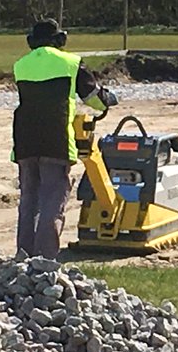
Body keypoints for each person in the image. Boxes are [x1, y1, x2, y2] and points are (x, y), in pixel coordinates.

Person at [13, 18, 116, 258]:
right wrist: (107, 100)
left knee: (29, 199)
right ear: (60, 40)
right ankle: (46, 259)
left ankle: (23, 255)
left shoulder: (21, 65)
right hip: (55, 139)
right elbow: (92, 96)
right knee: (52, 197)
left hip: (25, 139)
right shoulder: (71, 63)